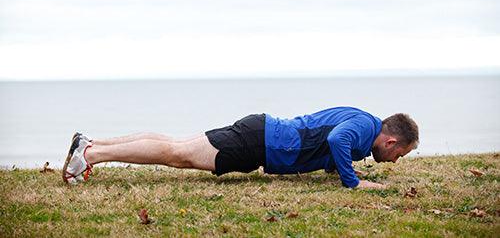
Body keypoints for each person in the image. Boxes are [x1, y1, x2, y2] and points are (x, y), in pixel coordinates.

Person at [62, 106, 419, 189]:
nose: (393, 161)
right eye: (398, 155)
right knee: (177, 154)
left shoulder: (363, 124)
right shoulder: (360, 129)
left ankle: (91, 144)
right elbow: (334, 140)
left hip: (261, 133)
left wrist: (342, 168)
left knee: (176, 145)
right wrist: (353, 182)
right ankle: (92, 156)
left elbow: (327, 145)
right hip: (260, 142)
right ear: (391, 141)